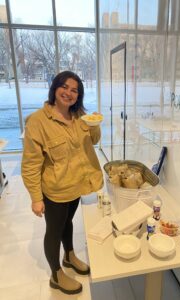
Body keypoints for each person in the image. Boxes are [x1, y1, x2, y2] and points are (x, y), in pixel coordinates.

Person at [21, 70, 103, 295]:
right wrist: (36, 198)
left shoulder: (80, 117)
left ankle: (69, 256)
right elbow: (30, 164)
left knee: (68, 223)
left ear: (79, 95)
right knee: (54, 230)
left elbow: (93, 141)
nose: (69, 93)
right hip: (55, 190)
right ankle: (56, 275)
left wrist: (95, 124)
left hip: (75, 185)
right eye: (64, 87)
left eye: (74, 90)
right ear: (55, 89)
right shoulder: (38, 122)